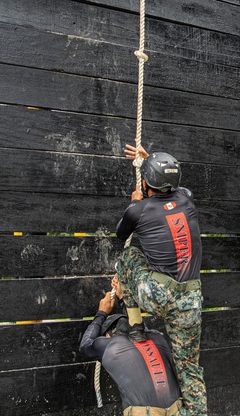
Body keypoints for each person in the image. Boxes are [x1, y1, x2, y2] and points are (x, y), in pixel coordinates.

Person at [116, 145, 206, 416]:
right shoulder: (187, 199)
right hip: (189, 302)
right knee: (189, 369)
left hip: (156, 295)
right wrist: (149, 163)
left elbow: (121, 235)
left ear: (145, 183)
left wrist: (134, 202)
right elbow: (178, 188)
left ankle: (135, 326)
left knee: (128, 257)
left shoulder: (138, 210)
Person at [79, 277, 182, 416]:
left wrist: (101, 313)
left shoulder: (112, 347)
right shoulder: (158, 337)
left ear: (108, 336)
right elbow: (139, 329)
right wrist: (124, 298)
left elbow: (85, 345)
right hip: (179, 410)